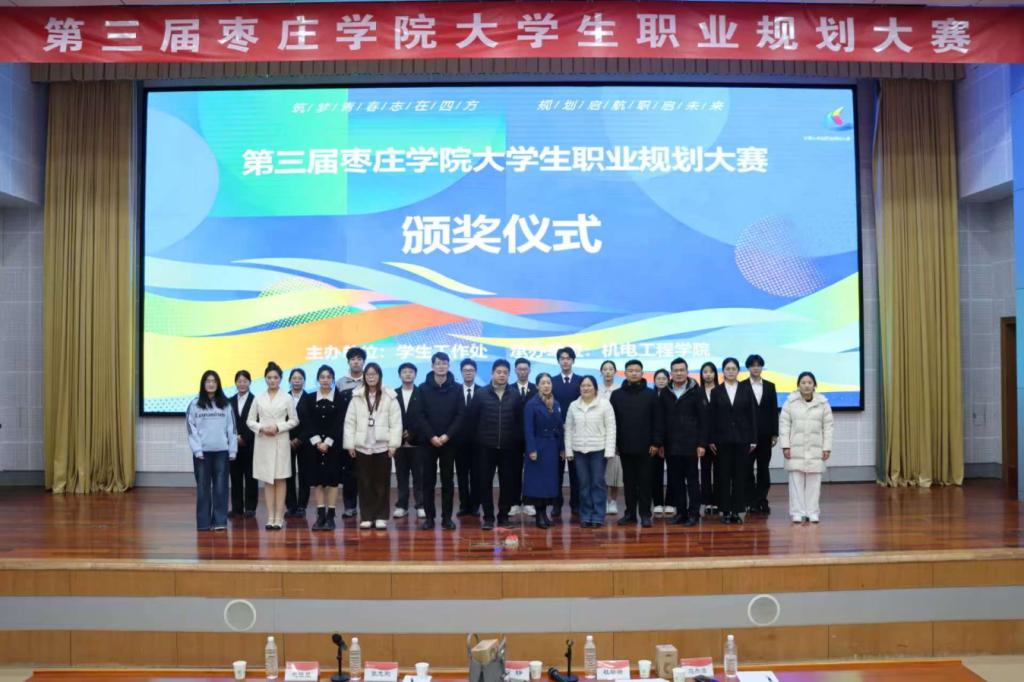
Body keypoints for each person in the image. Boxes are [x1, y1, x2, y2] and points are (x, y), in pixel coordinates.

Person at [344, 362, 402, 529]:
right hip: (362, 446)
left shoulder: (389, 396)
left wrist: (394, 445)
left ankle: (381, 516)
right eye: (368, 374)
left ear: (379, 376)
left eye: (374, 374)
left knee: (381, 483)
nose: (371, 377)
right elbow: (349, 422)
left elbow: (396, 423)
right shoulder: (357, 396)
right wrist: (350, 444)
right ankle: (367, 516)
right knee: (364, 482)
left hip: (382, 446)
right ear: (364, 377)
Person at [467, 359, 524, 529]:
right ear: (492, 373)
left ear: (509, 375)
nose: (502, 375)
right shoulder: (481, 394)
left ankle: (503, 516)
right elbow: (472, 421)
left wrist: (517, 443)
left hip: (508, 448)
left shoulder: (515, 395)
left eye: (505, 372)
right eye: (498, 372)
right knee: (485, 483)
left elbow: (519, 422)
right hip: (485, 448)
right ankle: (488, 517)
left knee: (507, 483)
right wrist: (478, 443)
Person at [610, 360, 663, 528]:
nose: (634, 373)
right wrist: (615, 444)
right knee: (629, 482)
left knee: (645, 482)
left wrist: (656, 443)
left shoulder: (651, 394)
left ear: (642, 373)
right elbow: (613, 423)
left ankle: (645, 514)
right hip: (625, 447)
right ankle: (630, 514)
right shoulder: (616, 395)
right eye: (630, 370)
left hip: (647, 447)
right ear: (625, 373)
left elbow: (658, 420)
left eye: (637, 370)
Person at [415, 352, 465, 530]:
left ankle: (446, 518)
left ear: (448, 366)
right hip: (428, 442)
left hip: (448, 442)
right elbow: (420, 415)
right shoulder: (422, 388)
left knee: (447, 481)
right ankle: (429, 518)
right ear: (432, 366)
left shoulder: (457, 388)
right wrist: (432, 436)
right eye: (438, 363)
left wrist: (446, 436)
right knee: (427, 481)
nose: (441, 366)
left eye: (444, 363)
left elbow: (460, 415)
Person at [249, 362, 300, 530]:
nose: (272, 380)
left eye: (275, 377)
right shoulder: (258, 397)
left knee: (280, 478)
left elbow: (294, 420)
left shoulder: (287, 397)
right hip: (263, 441)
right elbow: (250, 420)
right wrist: (261, 428)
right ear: (265, 379)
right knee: (268, 480)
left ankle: (279, 516)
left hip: (280, 440)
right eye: (269, 377)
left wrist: (278, 427)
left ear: (280, 379)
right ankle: (270, 516)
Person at [707, 357, 757, 525]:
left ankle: (737, 511)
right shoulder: (716, 391)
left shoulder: (746, 389)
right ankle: (726, 511)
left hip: (742, 439)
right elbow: (712, 418)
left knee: (740, 476)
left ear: (738, 371)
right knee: (723, 476)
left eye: (733, 368)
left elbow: (752, 415)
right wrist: (711, 439)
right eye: (727, 369)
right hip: (722, 440)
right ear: (723, 371)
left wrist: (753, 439)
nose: (730, 371)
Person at [186, 370, 237, 531]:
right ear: (203, 384)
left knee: (221, 488)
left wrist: (232, 450)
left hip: (222, 452)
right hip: (202, 454)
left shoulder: (226, 404)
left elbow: (232, 428)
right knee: (203, 488)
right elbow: (191, 429)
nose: (211, 384)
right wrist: (197, 450)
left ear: (218, 384)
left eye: (214, 381)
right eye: (208, 381)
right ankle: (204, 523)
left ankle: (220, 521)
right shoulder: (194, 404)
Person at [780, 372, 833, 524]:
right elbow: (784, 425)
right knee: (795, 482)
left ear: (814, 385)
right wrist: (785, 445)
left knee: (814, 483)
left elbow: (828, 427)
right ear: (798, 385)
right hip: (795, 448)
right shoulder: (790, 402)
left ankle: (812, 512)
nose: (806, 385)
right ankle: (797, 512)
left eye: (809, 382)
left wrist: (826, 448)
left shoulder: (823, 403)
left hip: (816, 448)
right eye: (803, 382)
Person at [564, 375, 616, 528]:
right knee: (584, 484)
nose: (586, 388)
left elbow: (611, 428)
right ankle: (586, 515)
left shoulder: (605, 404)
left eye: (589, 385)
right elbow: (568, 429)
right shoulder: (573, 405)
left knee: (597, 483)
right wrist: (568, 450)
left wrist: (609, 450)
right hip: (579, 450)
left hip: (598, 450)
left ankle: (598, 515)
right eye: (583, 386)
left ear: (595, 388)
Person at [661, 358, 705, 527]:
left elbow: (704, 419)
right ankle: (681, 513)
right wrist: (661, 443)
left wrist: (701, 443)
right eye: (676, 370)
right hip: (671, 445)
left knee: (692, 481)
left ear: (687, 372)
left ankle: (694, 514)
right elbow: (661, 420)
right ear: (671, 373)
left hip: (691, 445)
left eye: (682, 370)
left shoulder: (696, 391)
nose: (679, 373)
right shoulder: (665, 392)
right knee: (676, 481)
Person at [304, 365, 345, 531]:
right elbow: (307, 421)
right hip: (314, 446)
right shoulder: (309, 398)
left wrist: (328, 442)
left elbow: (340, 422)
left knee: (333, 480)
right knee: (318, 480)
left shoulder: (340, 398)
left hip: (333, 446)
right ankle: (320, 515)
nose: (325, 380)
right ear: (318, 379)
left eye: (329, 377)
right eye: (322, 377)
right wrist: (317, 442)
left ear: (333, 379)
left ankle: (331, 516)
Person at [523, 373, 563, 529]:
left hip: (552, 448)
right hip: (538, 447)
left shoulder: (556, 403)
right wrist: (531, 449)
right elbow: (528, 429)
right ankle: (539, 515)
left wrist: (562, 448)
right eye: (543, 383)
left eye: (549, 382)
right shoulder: (532, 404)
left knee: (549, 482)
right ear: (537, 386)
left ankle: (545, 514)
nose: (546, 385)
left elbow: (560, 428)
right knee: (537, 483)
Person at [743, 354, 779, 515]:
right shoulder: (742, 386)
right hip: (747, 436)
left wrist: (774, 434)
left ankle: (762, 500)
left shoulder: (770, 386)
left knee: (763, 469)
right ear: (748, 368)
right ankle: (750, 501)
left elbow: (773, 411)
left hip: (765, 435)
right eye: (753, 365)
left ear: (762, 367)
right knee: (747, 469)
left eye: (758, 365)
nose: (756, 368)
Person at [551, 347, 582, 517]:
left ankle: (576, 503)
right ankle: (556, 504)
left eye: (568, 358)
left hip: (576, 432)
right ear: (558, 361)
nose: (565, 361)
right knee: (556, 471)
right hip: (556, 433)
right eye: (562, 358)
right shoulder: (552, 381)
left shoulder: (581, 381)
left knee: (576, 471)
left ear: (573, 361)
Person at [394, 362, 424, 520]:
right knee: (401, 476)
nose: (407, 374)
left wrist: (411, 432)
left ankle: (421, 505)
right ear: (399, 375)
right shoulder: (393, 394)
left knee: (419, 476)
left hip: (417, 441)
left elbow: (424, 416)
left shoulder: (422, 393)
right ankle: (402, 506)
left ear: (415, 374)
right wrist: (400, 432)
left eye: (410, 372)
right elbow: (390, 416)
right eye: (404, 372)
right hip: (398, 441)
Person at [337, 347, 366, 517]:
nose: (356, 362)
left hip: (367, 434)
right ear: (348, 362)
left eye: (359, 359)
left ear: (363, 362)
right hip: (347, 433)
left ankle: (367, 507)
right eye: (353, 359)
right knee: (348, 472)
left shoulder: (370, 380)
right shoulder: (340, 383)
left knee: (367, 472)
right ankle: (350, 506)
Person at [228, 370, 258, 518]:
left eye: (245, 381)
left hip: (251, 444)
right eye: (239, 381)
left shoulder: (256, 400)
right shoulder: (229, 401)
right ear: (235, 383)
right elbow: (227, 423)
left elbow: (257, 422)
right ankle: (237, 508)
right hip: (233, 445)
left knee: (251, 477)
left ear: (250, 382)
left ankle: (250, 508)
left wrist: (244, 438)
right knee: (235, 477)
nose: (242, 384)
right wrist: (235, 438)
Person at [455, 358, 482, 517]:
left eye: (471, 370)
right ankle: (464, 505)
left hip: (478, 442)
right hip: (459, 442)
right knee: (462, 475)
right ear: (461, 372)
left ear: (475, 372)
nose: (468, 373)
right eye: (465, 371)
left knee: (477, 475)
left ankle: (475, 505)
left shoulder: (483, 391)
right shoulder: (455, 391)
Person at [512, 357, 537, 518]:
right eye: (520, 369)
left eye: (525, 369)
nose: (522, 372)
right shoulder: (509, 389)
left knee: (531, 471)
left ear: (529, 370)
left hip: (532, 437)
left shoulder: (536, 389)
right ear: (515, 370)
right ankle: (514, 502)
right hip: (513, 438)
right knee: (513, 471)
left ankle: (529, 502)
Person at [598, 360, 623, 516]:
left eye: (611, 369)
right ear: (601, 372)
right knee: (600, 470)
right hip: (599, 434)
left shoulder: (620, 389)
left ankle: (612, 501)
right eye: (605, 369)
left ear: (615, 371)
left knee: (614, 469)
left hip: (615, 433)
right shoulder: (595, 389)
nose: (608, 372)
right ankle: (601, 500)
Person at [284, 368, 309, 519]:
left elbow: (310, 422)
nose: (297, 381)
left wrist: (300, 439)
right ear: (290, 380)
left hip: (304, 442)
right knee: (289, 474)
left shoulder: (309, 398)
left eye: (300, 378)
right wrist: (288, 439)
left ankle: (302, 506)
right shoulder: (284, 398)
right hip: (286, 440)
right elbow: (281, 420)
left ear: (304, 381)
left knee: (304, 474)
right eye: (294, 378)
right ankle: (291, 505)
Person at [650, 368, 675, 518]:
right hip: (654, 441)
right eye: (658, 378)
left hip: (672, 441)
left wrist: (665, 443)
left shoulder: (673, 395)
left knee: (673, 473)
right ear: (654, 380)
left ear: (668, 380)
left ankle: (671, 502)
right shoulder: (650, 395)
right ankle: (658, 503)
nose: (661, 381)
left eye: (664, 378)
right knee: (655, 473)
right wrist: (657, 443)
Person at [698, 361, 719, 515]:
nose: (708, 374)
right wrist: (704, 441)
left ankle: (717, 501)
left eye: (711, 371)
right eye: (705, 372)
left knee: (719, 471)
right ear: (701, 374)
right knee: (705, 471)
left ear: (715, 374)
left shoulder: (722, 390)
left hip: (719, 439)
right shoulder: (697, 392)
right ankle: (706, 501)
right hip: (702, 440)